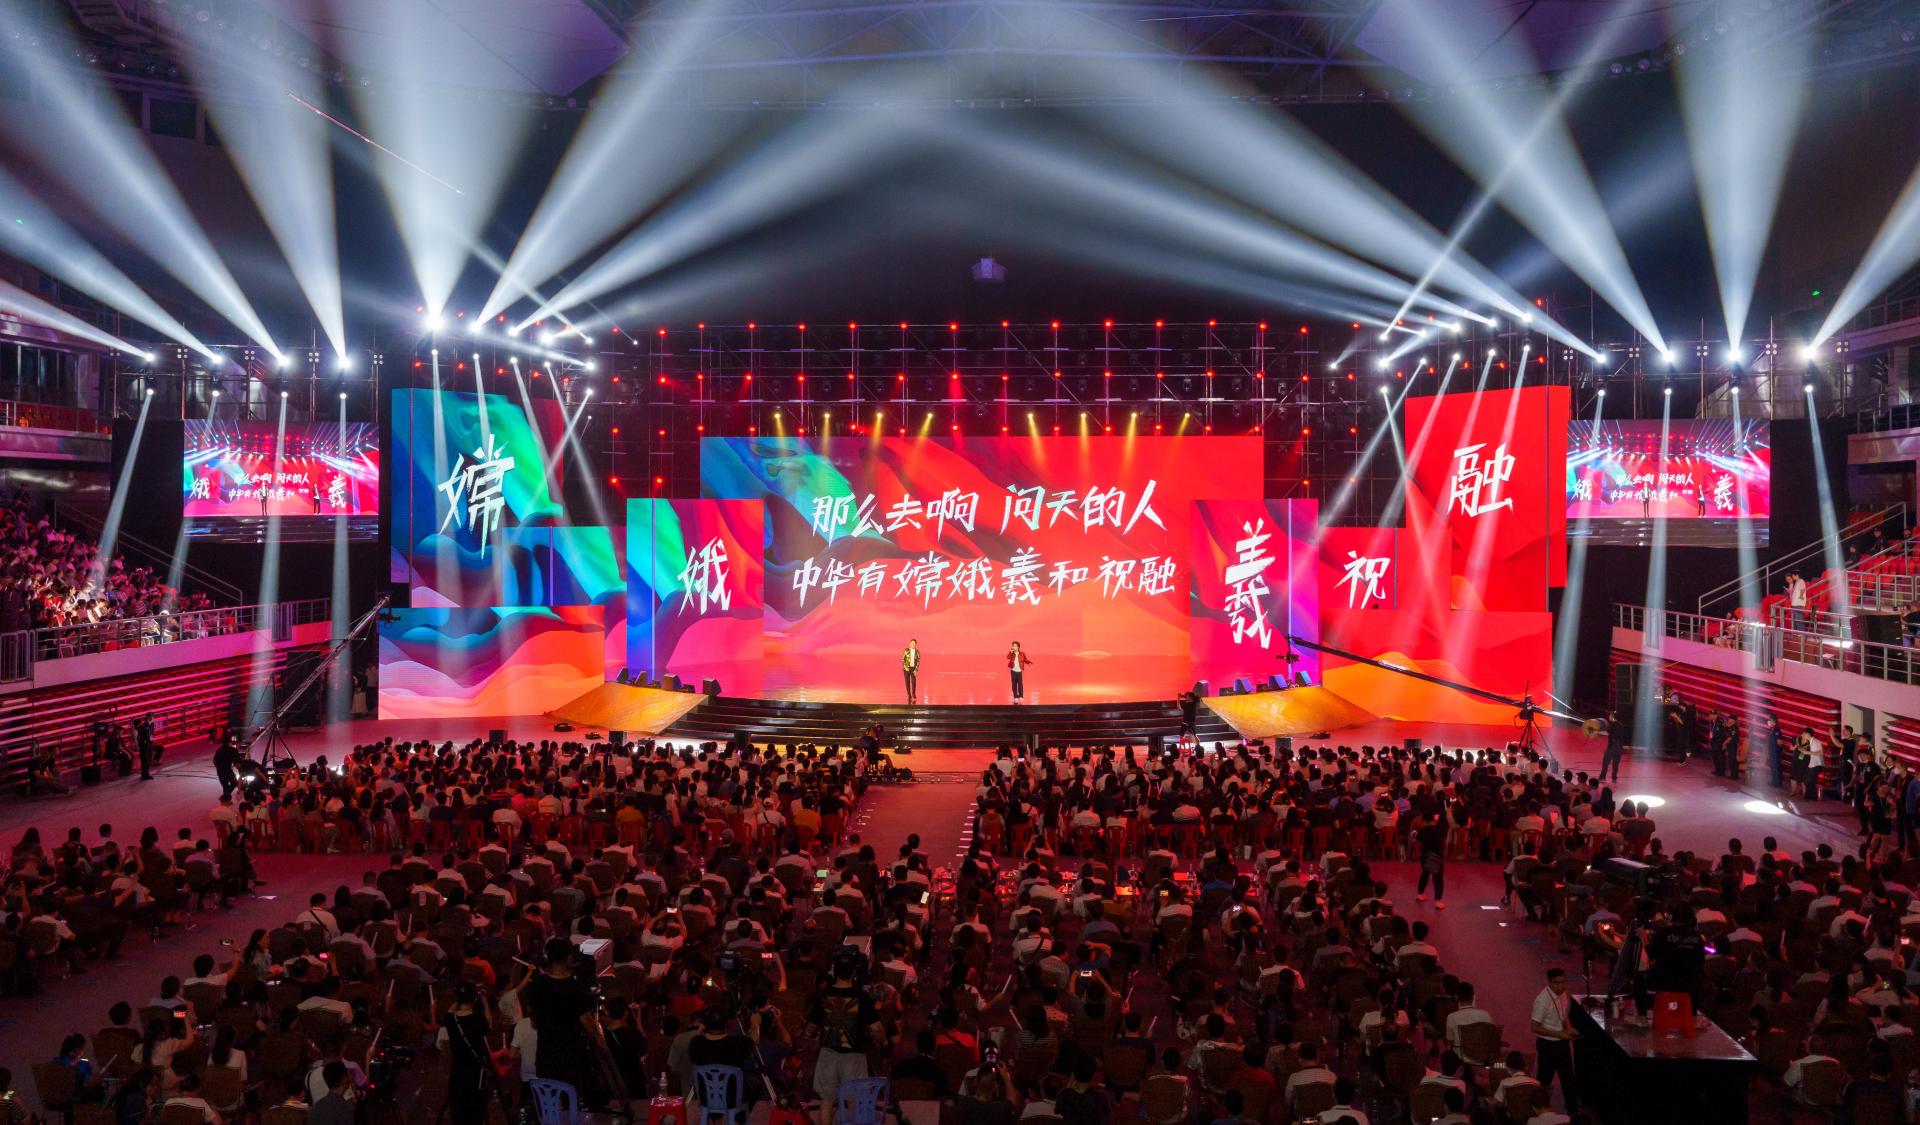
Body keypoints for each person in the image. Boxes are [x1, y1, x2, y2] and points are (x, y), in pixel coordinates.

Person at [810, 951, 879, 1125]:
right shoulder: (862, 997)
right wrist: (883, 1041)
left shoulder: (823, 995)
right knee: (853, 1101)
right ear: (854, 972)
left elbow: (811, 1026)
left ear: (834, 971)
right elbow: (876, 1028)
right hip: (853, 1057)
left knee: (826, 1100)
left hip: (827, 1053)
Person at [523, 937, 598, 1094]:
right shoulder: (574, 987)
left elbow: (531, 1012)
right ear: (568, 957)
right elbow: (585, 1020)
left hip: (545, 1052)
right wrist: (599, 1038)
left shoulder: (538, 983)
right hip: (569, 1054)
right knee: (568, 1096)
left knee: (548, 1095)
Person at [437, 981, 496, 1124]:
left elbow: (451, 1009)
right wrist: (484, 1002)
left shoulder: (450, 1019)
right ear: (474, 998)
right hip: (475, 1070)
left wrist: (460, 997)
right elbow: (489, 1026)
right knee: (476, 1108)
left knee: (459, 1107)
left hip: (457, 1069)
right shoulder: (478, 1019)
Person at [1528, 967, 1578, 1115]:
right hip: (1547, 1045)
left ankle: (1573, 1111)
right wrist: (1559, 1034)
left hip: (1561, 1043)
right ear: (1549, 983)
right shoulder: (1542, 1001)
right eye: (1557, 983)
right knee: (1544, 1080)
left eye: (1563, 982)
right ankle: (1537, 1110)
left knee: (1568, 1079)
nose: (1561, 986)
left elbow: (1563, 1014)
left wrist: (1569, 1027)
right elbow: (1534, 1027)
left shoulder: (1563, 994)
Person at [1414, 813, 1448, 909]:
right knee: (1438, 878)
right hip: (1437, 856)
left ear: (1425, 821)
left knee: (1425, 874)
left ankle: (1420, 894)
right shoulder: (1440, 830)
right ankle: (1438, 901)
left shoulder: (1422, 830)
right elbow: (1444, 842)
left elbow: (1417, 839)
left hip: (1425, 856)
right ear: (1434, 820)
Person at [308, 1061, 357, 1125]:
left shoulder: (317, 1106)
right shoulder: (344, 1108)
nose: (350, 1078)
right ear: (344, 1079)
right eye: (347, 1075)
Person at [212, 729, 243, 800]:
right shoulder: (233, 750)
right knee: (234, 782)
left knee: (225, 785)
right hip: (227, 770)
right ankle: (226, 795)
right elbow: (238, 760)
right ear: (229, 741)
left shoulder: (219, 750)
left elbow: (214, 761)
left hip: (220, 771)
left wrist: (217, 767)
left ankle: (226, 797)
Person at [1598, 713, 1627, 782]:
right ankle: (1614, 778)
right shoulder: (1621, 725)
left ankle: (1602, 777)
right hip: (1619, 747)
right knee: (1615, 764)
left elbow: (1607, 733)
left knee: (1606, 762)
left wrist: (1597, 732)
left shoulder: (1612, 725)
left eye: (1610, 716)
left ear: (1612, 717)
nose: (1609, 717)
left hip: (1612, 747)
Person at [902, 639, 921, 705]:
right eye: (912, 643)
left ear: (915, 644)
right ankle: (909, 695)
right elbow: (903, 659)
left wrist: (916, 669)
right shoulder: (906, 650)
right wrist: (905, 667)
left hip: (913, 669)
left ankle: (913, 693)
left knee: (913, 681)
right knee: (907, 682)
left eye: (914, 643)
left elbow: (918, 661)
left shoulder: (917, 652)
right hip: (906, 669)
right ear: (909, 644)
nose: (913, 644)